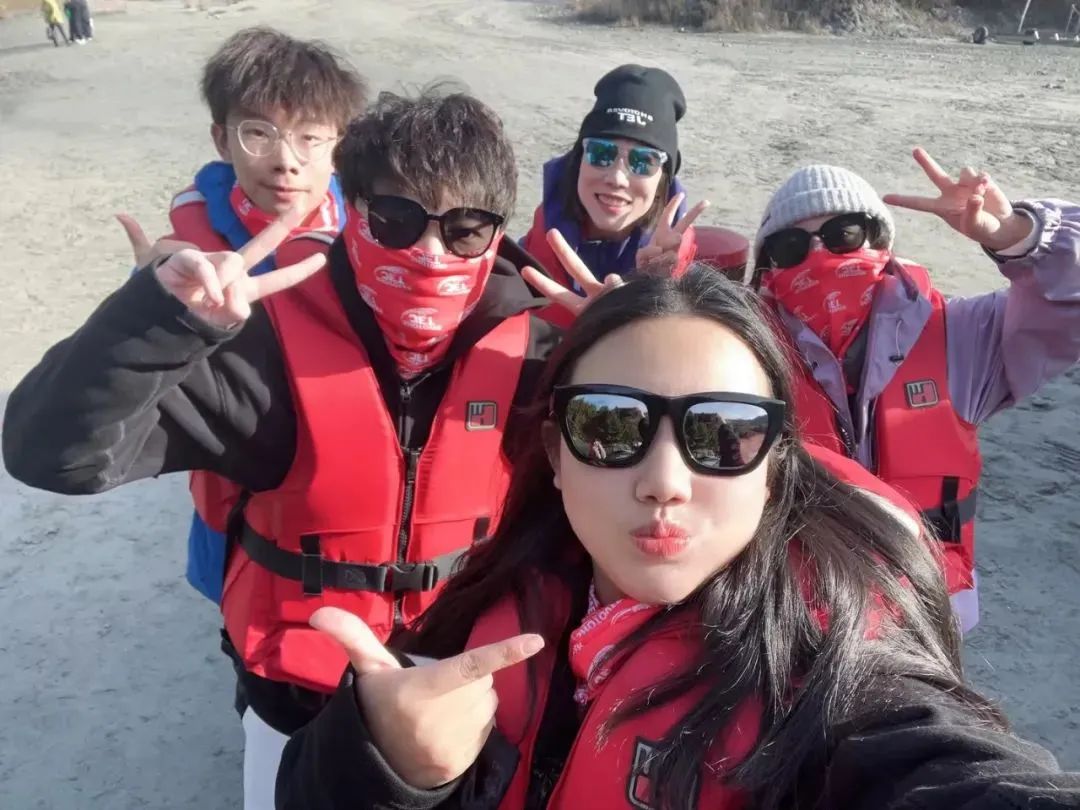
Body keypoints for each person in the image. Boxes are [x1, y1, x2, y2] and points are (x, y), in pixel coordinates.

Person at [275, 266, 1080, 810]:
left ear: (774, 467)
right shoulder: (492, 613)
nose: (665, 479)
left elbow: (946, 770)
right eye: (611, 426)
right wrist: (381, 759)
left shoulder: (838, 679)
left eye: (722, 434)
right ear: (554, 452)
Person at [2, 89, 566, 810]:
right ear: (352, 211)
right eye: (396, 221)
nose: (429, 253)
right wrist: (159, 325)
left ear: (496, 234)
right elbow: (52, 455)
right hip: (298, 695)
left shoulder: (536, 354)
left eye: (464, 229)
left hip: (460, 684)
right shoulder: (261, 346)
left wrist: (628, 336)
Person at [745, 149, 1080, 633]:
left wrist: (1014, 237)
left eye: (844, 234)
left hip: (925, 623)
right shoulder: (742, 353)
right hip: (791, 628)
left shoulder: (963, 337)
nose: (819, 256)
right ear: (768, 268)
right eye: (792, 246)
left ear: (882, 242)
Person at [117, 26, 366, 607]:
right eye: (258, 133)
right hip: (236, 501)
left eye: (310, 137)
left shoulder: (378, 233)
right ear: (221, 139)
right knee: (244, 623)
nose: (286, 162)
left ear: (339, 145)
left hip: (349, 503)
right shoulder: (188, 252)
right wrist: (146, 306)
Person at [520, 64, 707, 325]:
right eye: (601, 153)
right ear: (578, 160)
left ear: (663, 180)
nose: (617, 178)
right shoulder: (523, 254)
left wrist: (656, 296)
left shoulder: (691, 295)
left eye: (643, 161)